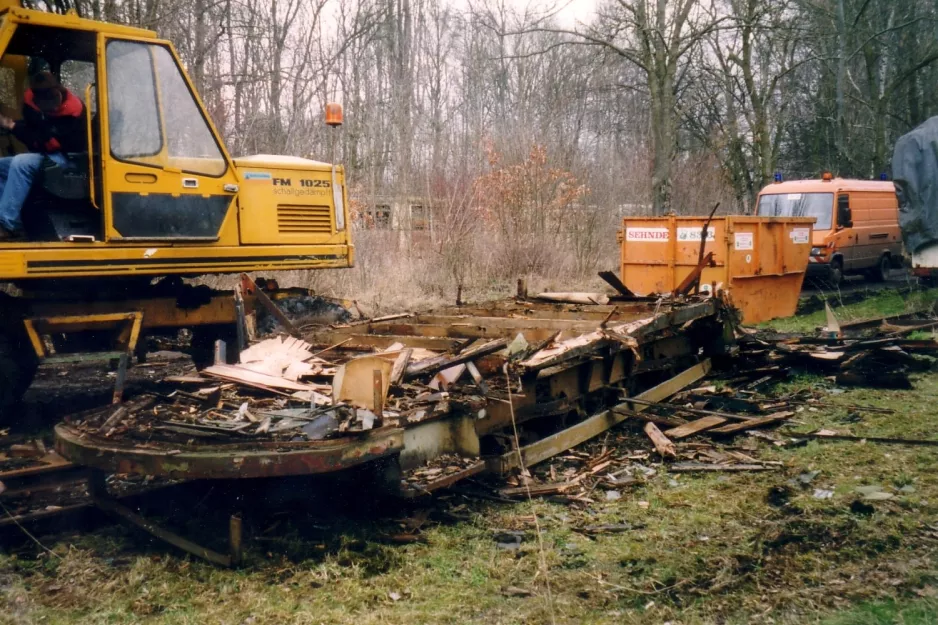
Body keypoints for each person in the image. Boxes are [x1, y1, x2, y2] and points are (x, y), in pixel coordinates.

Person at [0, 71, 86, 240]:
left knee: (22, 163)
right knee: (2, 165)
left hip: (67, 157)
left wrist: (13, 127)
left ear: (58, 93)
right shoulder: (31, 102)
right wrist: (15, 126)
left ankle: (5, 223)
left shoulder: (74, 112)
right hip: (45, 151)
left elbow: (47, 143)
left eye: (54, 105)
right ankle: (14, 225)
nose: (53, 109)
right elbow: (33, 130)